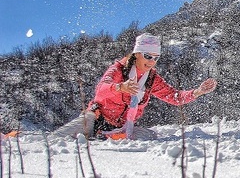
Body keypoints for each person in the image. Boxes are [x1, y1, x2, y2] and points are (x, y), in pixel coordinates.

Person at [54, 33, 217, 140]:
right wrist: (120, 88)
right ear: (136, 54)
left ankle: (106, 138)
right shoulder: (118, 69)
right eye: (148, 56)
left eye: (156, 58)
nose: (152, 62)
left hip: (124, 127)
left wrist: (197, 92)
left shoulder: (152, 79)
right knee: (60, 138)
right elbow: (101, 91)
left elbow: (174, 97)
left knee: (150, 137)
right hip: (97, 118)